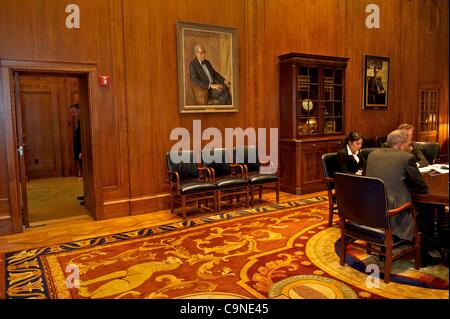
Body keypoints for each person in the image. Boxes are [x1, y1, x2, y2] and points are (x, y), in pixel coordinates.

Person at [365, 129, 440, 266]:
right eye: (408, 144)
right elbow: (422, 188)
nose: (410, 148)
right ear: (399, 146)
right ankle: (423, 254)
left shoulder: (372, 155)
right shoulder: (405, 158)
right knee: (428, 208)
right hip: (393, 212)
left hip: (372, 209)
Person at [69, 103, 84, 205]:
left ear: (79, 110)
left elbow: (84, 138)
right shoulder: (79, 122)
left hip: (82, 153)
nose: (73, 114)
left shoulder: (83, 122)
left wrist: (83, 151)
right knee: (84, 175)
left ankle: (89, 197)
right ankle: (86, 194)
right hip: (78, 153)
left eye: (74, 112)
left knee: (87, 175)